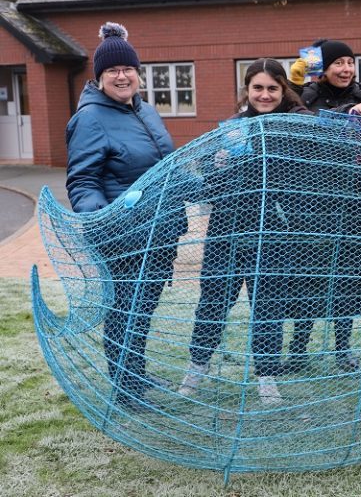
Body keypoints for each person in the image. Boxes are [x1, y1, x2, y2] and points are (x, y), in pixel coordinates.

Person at [66, 22, 187, 413]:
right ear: (99, 77)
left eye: (128, 69)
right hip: (124, 237)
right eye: (112, 71)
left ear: (138, 73)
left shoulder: (146, 111)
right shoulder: (90, 118)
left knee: (142, 310)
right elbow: (83, 181)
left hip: (159, 231)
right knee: (125, 312)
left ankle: (135, 372)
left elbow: (166, 165)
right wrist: (103, 221)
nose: (122, 76)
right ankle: (126, 390)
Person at [178, 58, 312, 404]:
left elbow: (304, 182)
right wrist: (217, 165)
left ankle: (267, 376)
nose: (264, 95)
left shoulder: (295, 127)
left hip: (273, 233)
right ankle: (196, 369)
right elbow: (208, 182)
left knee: (268, 306)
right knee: (213, 301)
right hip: (227, 230)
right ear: (247, 90)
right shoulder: (230, 130)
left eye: (272, 88)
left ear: (284, 90)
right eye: (258, 88)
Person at [280, 39, 361, 374]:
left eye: (350, 62)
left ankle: (343, 349)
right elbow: (299, 119)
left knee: (348, 279)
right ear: (323, 68)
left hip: (358, 204)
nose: (346, 69)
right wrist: (297, 84)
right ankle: (298, 350)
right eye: (338, 63)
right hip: (317, 205)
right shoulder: (309, 96)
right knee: (310, 279)